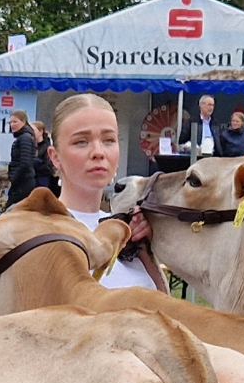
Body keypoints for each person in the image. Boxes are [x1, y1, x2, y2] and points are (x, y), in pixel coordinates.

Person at [46, 92, 160, 292]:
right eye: (81, 141)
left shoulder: (129, 230)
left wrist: (145, 251)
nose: (98, 152)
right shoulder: (38, 229)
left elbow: (164, 306)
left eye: (108, 140)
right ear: (55, 157)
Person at [4, 109, 39, 203]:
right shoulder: (22, 137)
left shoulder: (25, 138)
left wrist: (14, 177)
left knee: (12, 211)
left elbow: (25, 163)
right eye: (10, 122)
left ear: (23, 122)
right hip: (22, 181)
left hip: (23, 182)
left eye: (15, 121)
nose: (12, 125)